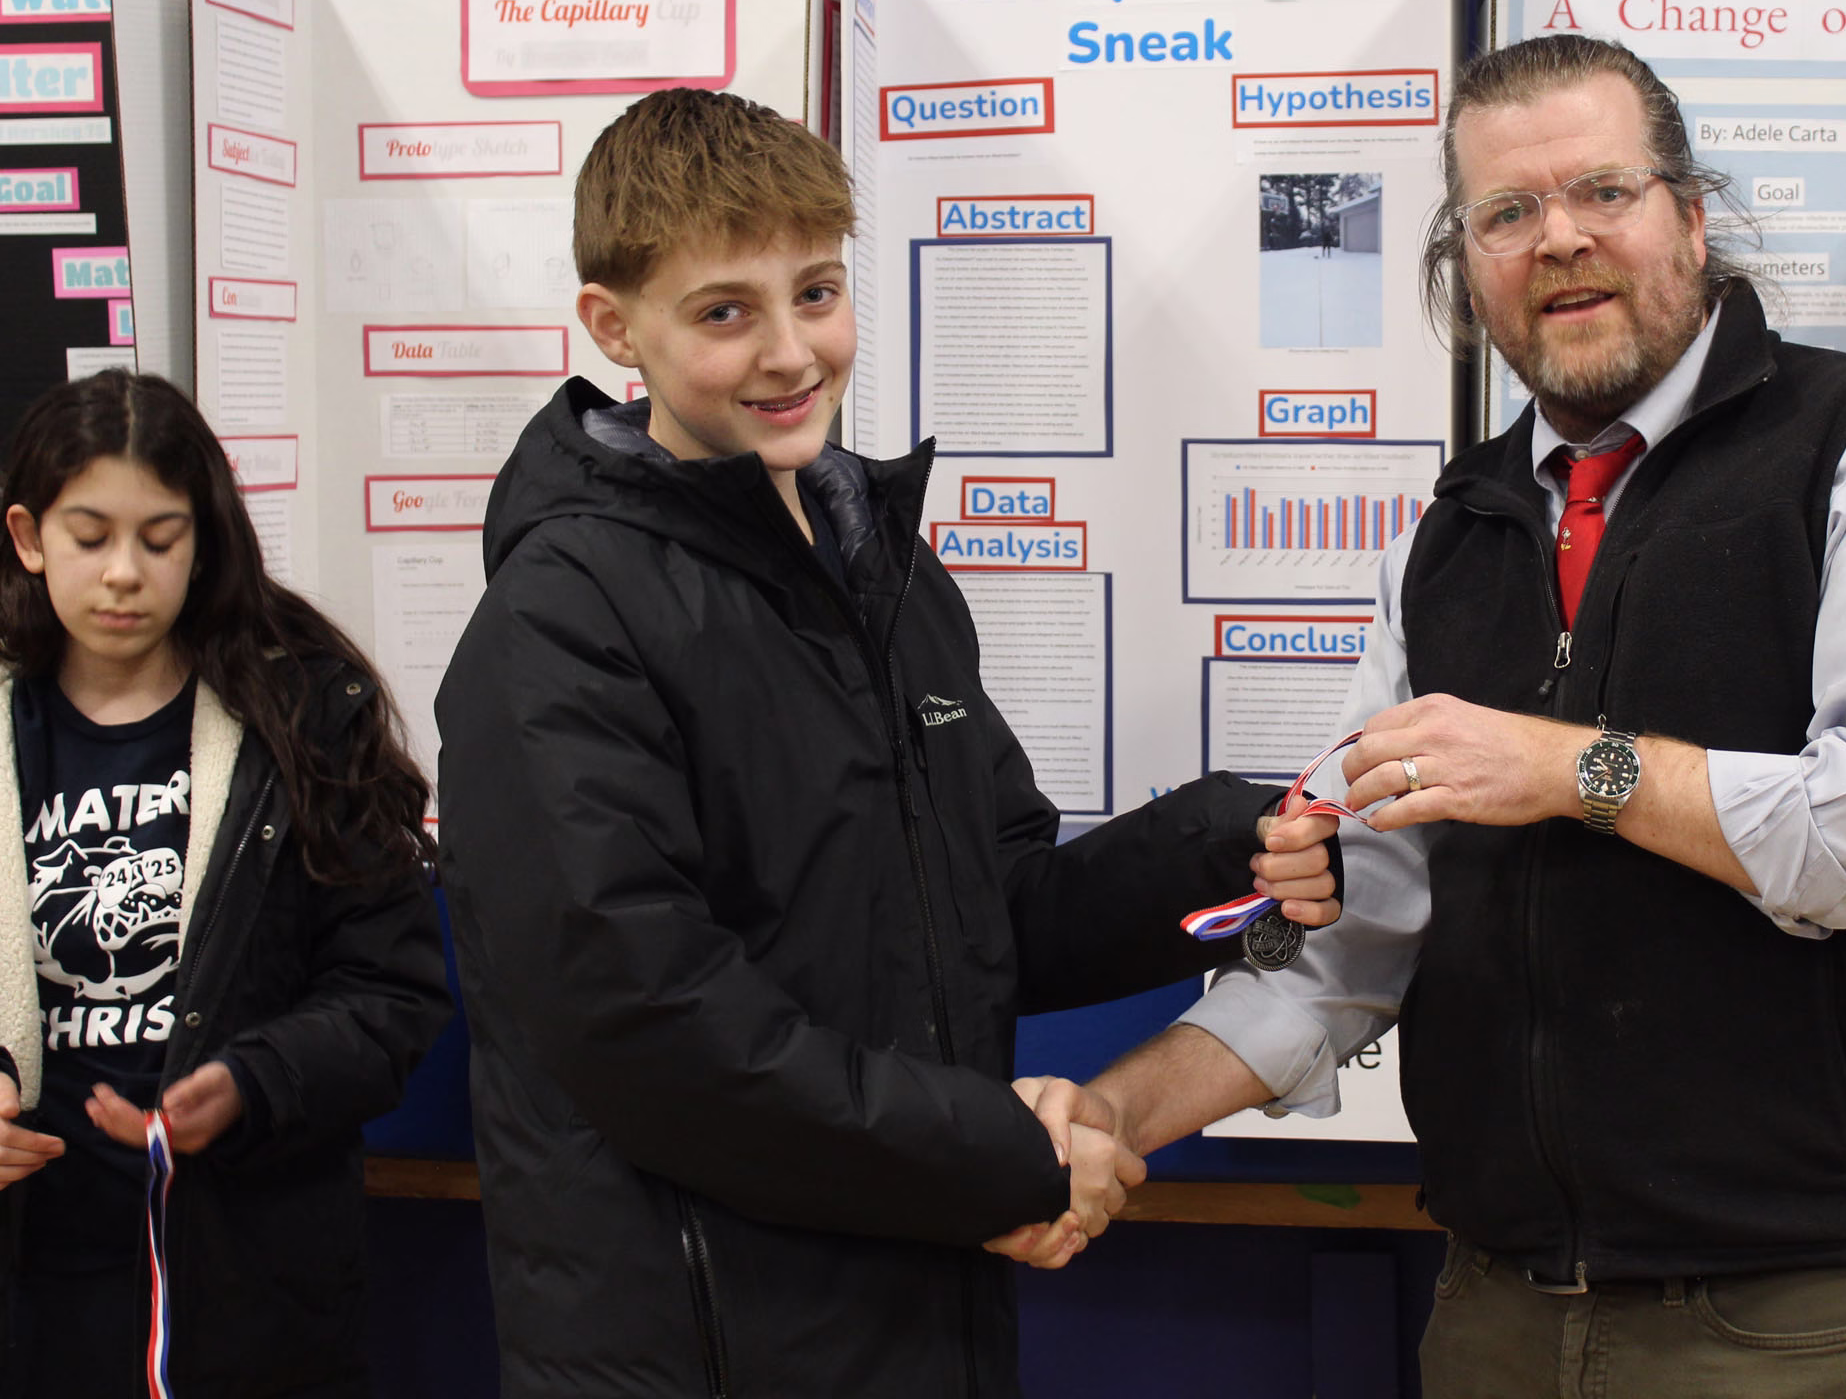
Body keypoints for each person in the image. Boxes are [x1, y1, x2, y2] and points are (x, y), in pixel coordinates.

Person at [1023, 33, 1846, 1398]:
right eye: (1507, 212)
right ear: (1467, 266)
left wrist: (1577, 771)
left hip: (1800, 1324)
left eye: (1603, 191)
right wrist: (1107, 1115)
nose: (1559, 239)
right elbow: (1351, 946)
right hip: (1496, 1314)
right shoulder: (1449, 539)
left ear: (1692, 217)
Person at [435, 88, 1341, 1399]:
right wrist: (996, 1154)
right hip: (699, 1346)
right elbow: (651, 1023)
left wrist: (1224, 849)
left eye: (816, 292)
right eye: (724, 312)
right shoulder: (562, 617)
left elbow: (989, 907)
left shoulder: (886, 578)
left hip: (919, 1306)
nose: (789, 352)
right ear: (614, 326)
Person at [0, 369, 451, 1397]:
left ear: (203, 543)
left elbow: (392, 994)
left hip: (245, 1284)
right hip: (37, 1285)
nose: (124, 574)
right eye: (89, 537)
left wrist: (255, 1081)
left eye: (160, 539)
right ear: (28, 537)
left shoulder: (302, 721)